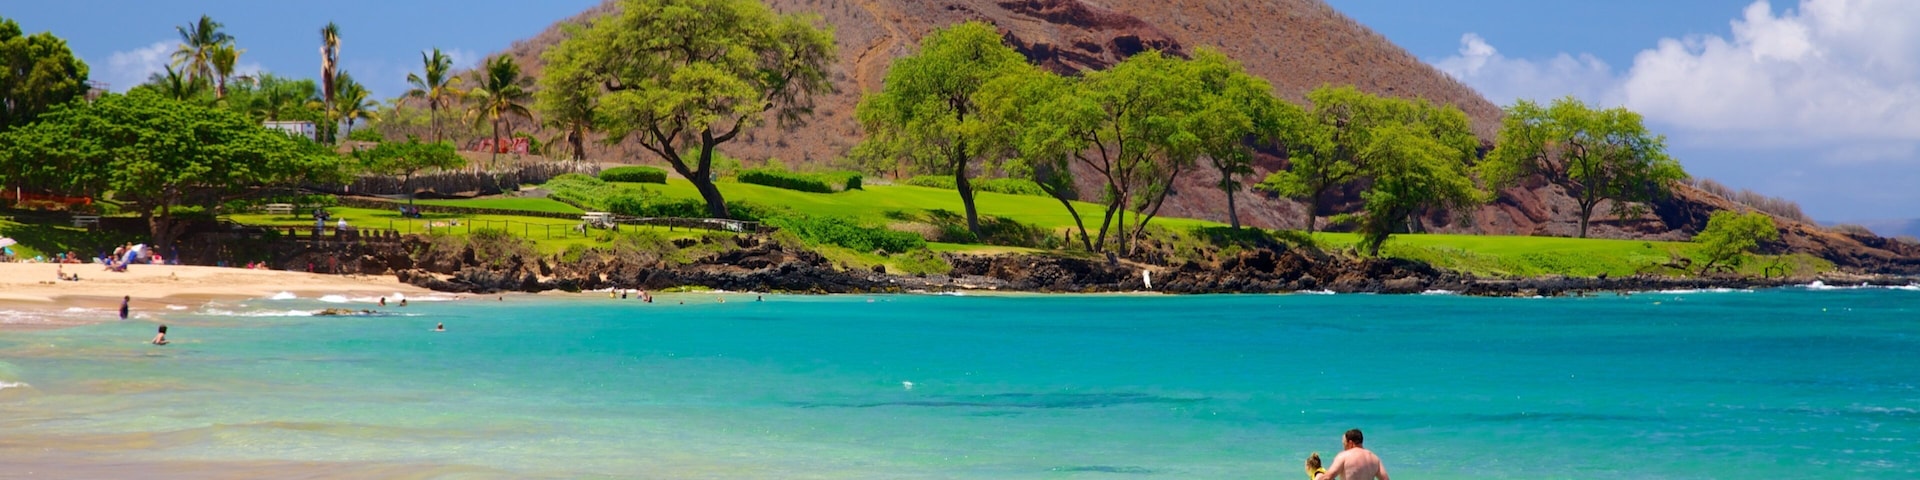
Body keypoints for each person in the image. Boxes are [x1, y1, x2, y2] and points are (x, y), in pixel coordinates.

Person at [1315, 429, 1387, 480]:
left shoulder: (1344, 456)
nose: (1344, 447)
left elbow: (1327, 477)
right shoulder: (1374, 458)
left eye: (1344, 444)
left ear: (1350, 443)